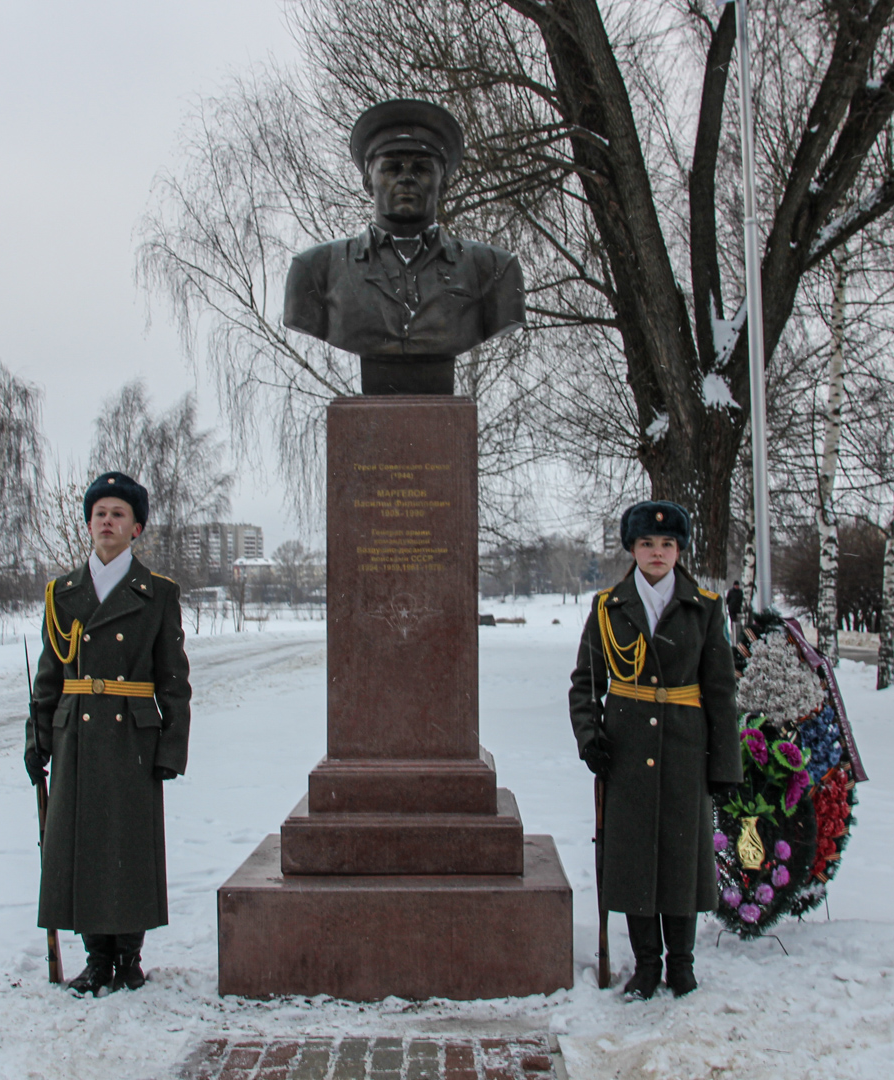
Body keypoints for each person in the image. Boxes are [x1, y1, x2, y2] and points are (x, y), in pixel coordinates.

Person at [24, 471, 192, 996]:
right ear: (89, 524)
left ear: (136, 528)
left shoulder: (157, 593)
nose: (107, 522)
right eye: (99, 514)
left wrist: (171, 747)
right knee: (81, 845)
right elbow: (50, 674)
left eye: (118, 514)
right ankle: (96, 958)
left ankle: (129, 957)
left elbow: (174, 680)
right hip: (77, 736)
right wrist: (38, 739)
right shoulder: (63, 593)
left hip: (132, 739)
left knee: (129, 845)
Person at [568, 501, 741, 999]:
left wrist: (725, 767)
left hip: (687, 751)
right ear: (632, 549)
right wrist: (590, 738)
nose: (658, 553)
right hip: (627, 752)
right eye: (647, 544)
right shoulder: (608, 607)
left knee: (681, 857)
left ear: (679, 549)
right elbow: (585, 684)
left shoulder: (704, 607)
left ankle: (681, 964)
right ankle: (646, 965)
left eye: (667, 544)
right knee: (637, 860)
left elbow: (722, 692)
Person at [283, 98, 525, 395]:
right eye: (392, 168)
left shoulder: (495, 271)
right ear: (368, 182)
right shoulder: (316, 271)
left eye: (421, 168)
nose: (407, 178)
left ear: (444, 183)